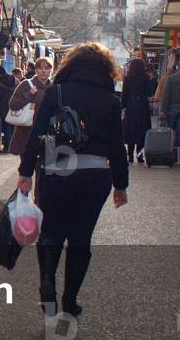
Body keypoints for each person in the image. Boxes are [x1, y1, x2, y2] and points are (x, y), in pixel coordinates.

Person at [18, 43, 128, 318]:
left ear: (70, 65)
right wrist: (120, 185)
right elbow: (117, 146)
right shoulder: (111, 100)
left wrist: (25, 172)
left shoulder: (56, 93)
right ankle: (70, 300)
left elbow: (36, 136)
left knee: (51, 232)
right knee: (81, 238)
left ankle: (47, 284)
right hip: (95, 175)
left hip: (56, 172)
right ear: (105, 69)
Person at [7, 57, 54, 156]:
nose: (44, 71)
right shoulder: (26, 84)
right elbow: (13, 104)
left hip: (47, 132)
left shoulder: (53, 87)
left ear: (51, 70)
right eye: (40, 68)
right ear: (36, 70)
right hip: (27, 132)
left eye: (47, 68)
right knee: (26, 167)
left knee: (45, 167)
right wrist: (29, 94)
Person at [121, 58, 154, 163]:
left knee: (131, 131)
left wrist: (123, 106)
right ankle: (139, 155)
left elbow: (124, 94)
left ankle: (130, 156)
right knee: (142, 131)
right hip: (143, 107)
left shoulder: (127, 79)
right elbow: (149, 92)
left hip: (131, 107)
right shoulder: (145, 78)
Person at [0, 66, 19, 152]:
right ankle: (14, 145)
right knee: (13, 126)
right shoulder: (14, 79)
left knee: (6, 127)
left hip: (3, 107)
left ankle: (7, 146)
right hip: (14, 105)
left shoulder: (0, 82)